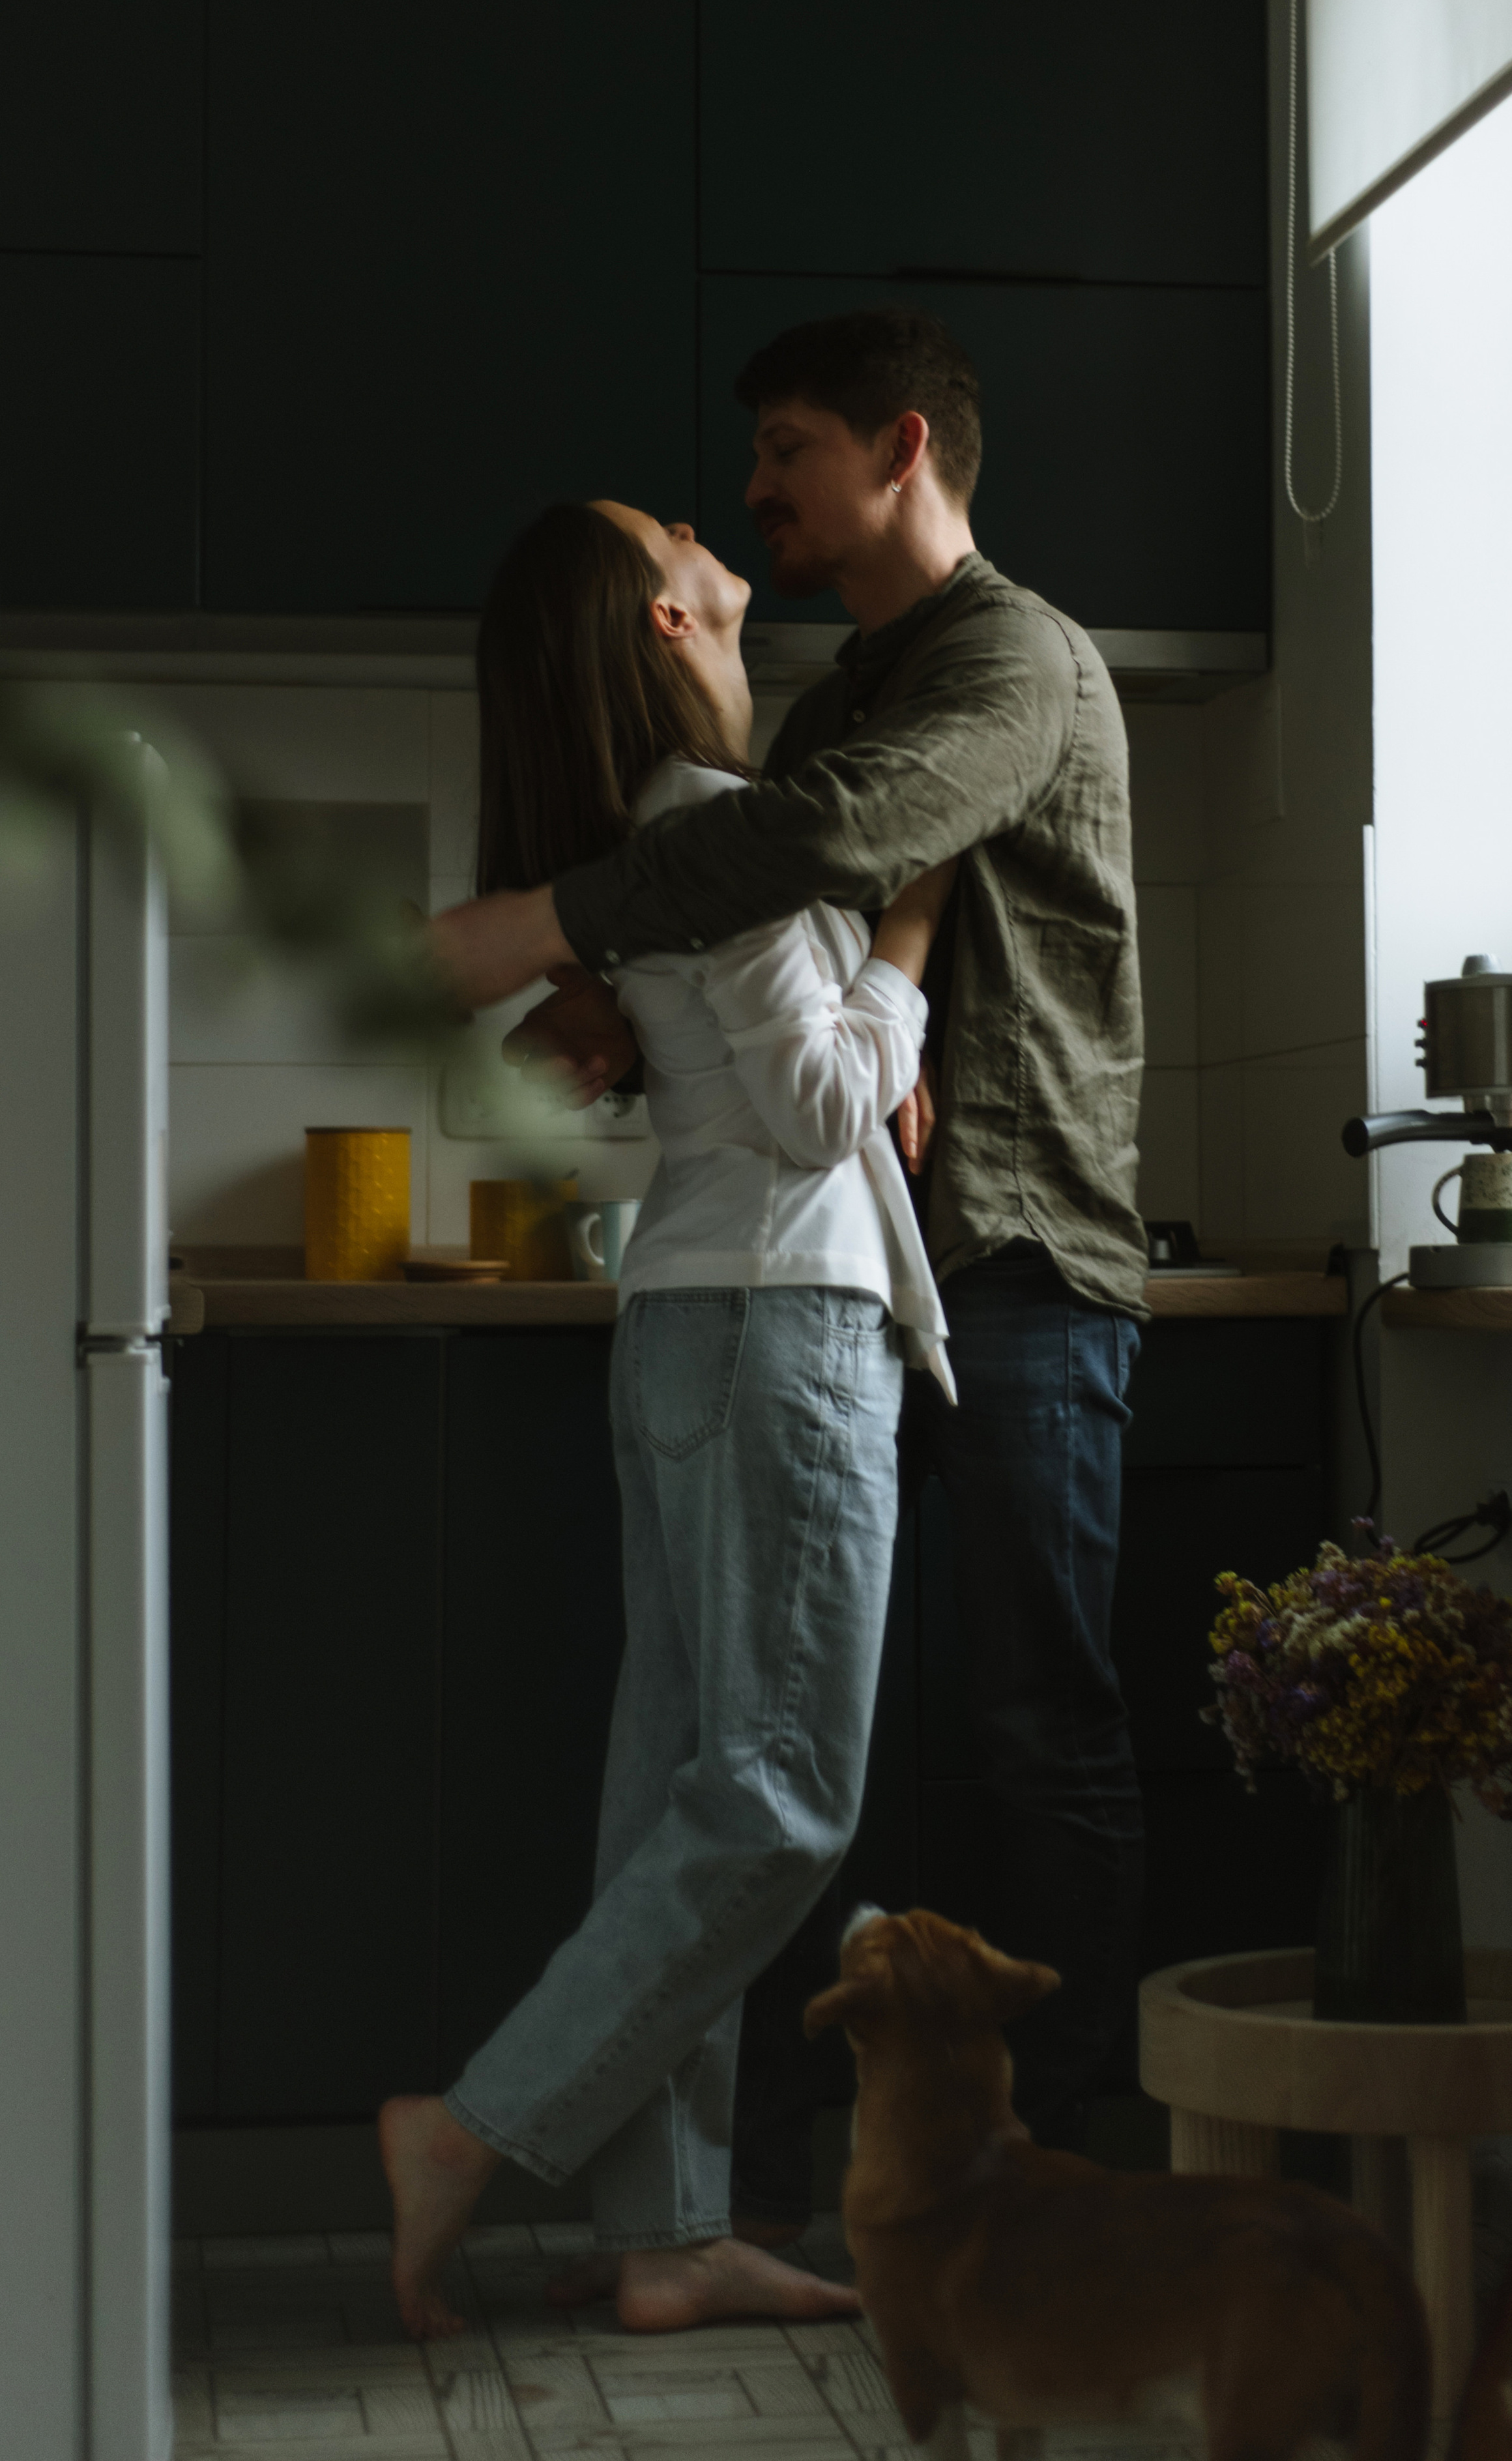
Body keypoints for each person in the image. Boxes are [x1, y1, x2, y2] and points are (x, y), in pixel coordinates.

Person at [429, 308, 1151, 2218]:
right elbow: (771, 915)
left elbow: (832, 844)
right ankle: (747, 2194)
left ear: (903, 448)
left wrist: (543, 927)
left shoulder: (1014, 658)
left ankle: (1056, 2173)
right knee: (813, 1760)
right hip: (851, 1267)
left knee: (1028, 1729)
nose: (751, 490)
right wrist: (615, 1003)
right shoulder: (826, 704)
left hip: (1014, 1252)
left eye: (786, 452)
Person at [380, 494, 957, 2339]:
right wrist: (913, 919)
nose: (714, 532)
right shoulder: (715, 827)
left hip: (696, 1329)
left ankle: (668, 2234)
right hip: (782, 1324)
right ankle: (475, 2126)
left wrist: (856, 1002)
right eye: (679, 530)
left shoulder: (649, 834)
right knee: (783, 1795)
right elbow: (820, 1104)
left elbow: (766, 1080)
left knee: (679, 1803)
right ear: (661, 614)